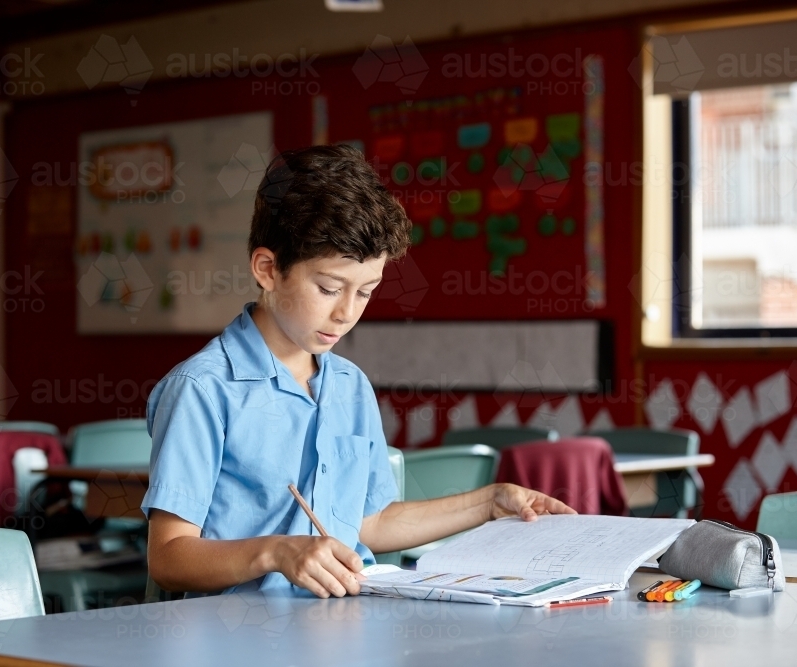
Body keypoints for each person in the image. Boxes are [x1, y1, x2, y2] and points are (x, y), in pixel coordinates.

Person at [143, 144, 575, 598]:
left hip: (340, 626)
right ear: (268, 269)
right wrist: (274, 553)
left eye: (366, 291)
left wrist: (490, 501)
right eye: (329, 288)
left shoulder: (349, 385)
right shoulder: (203, 389)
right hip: (237, 638)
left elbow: (370, 521)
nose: (346, 313)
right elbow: (169, 556)